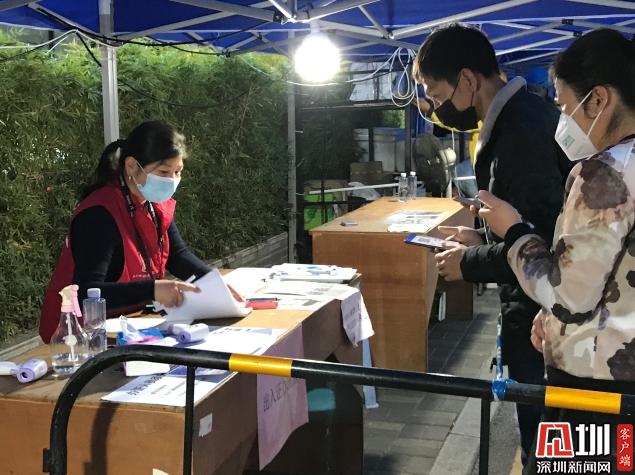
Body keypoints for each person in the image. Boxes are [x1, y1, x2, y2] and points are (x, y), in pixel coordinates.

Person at [412, 24, 573, 464]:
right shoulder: (519, 117)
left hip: (541, 322)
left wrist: (468, 263)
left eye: (436, 94)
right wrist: (479, 237)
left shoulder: (520, 132)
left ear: (467, 79)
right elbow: (522, 222)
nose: (437, 109)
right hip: (535, 316)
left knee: (547, 449)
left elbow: (538, 246)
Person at [477, 28, 635, 471]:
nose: (563, 120)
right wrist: (553, 320)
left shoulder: (605, 174)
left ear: (598, 99)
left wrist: (514, 232)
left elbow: (568, 295)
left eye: (565, 106)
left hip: (594, 393)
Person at [39, 121, 214, 342]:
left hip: (126, 325)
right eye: (163, 172)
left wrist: (215, 284)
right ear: (131, 166)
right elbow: (86, 292)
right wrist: (152, 290)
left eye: (177, 172)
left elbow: (178, 255)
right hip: (76, 337)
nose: (171, 180)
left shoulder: (153, 204)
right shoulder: (98, 214)